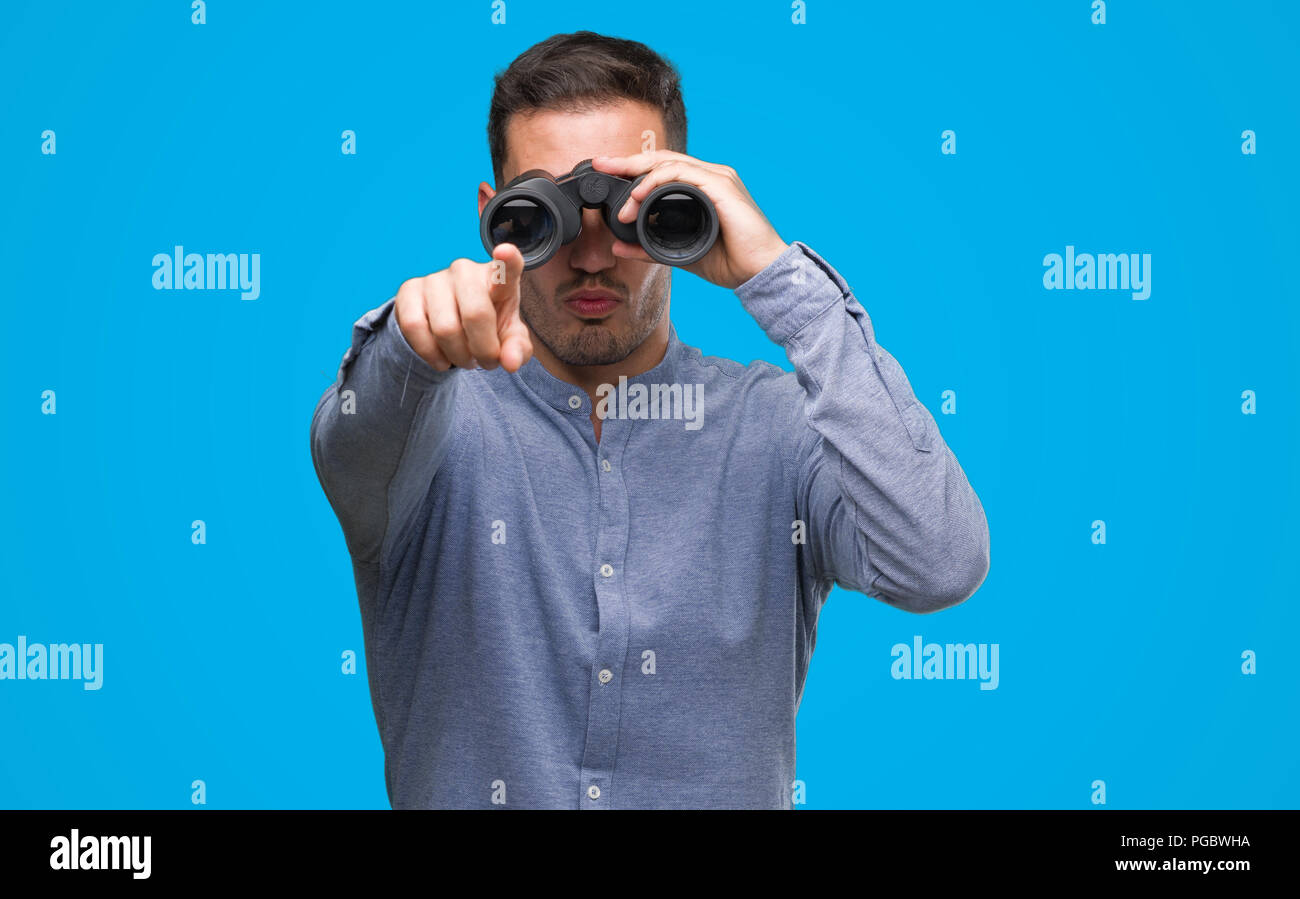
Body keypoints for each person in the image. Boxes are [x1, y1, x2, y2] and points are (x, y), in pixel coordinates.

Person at [309, 30, 990, 809]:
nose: (592, 255)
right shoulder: (428, 429)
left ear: (688, 207)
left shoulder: (776, 426)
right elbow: (348, 441)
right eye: (545, 213)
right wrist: (409, 342)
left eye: (633, 209)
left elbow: (940, 562)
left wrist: (779, 277)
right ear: (492, 215)